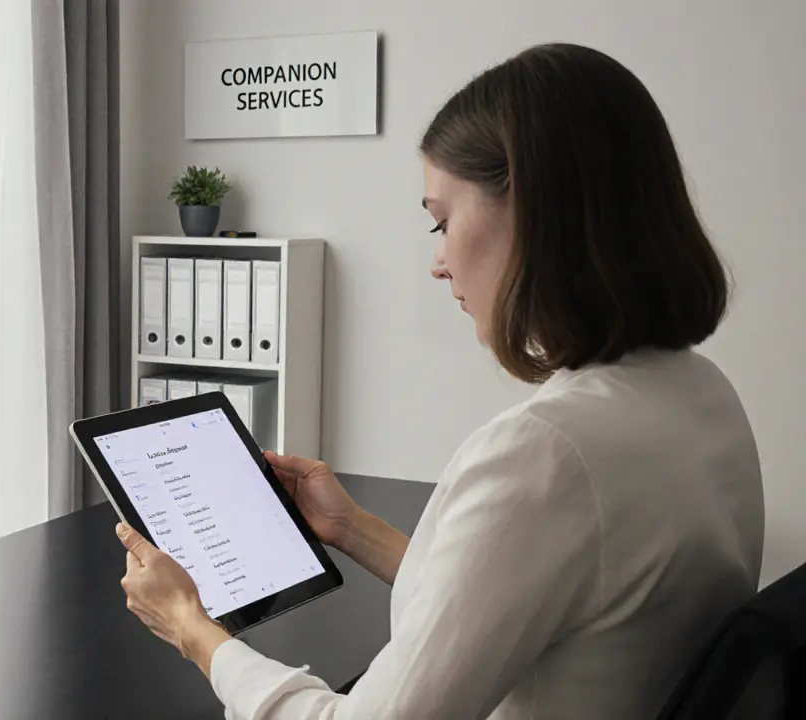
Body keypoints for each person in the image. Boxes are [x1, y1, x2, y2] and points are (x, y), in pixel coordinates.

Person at [114, 42, 765, 719]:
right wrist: (353, 528)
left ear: (534, 211)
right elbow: (519, 595)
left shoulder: (548, 455)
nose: (440, 261)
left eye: (443, 221)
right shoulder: (703, 396)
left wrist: (194, 629)